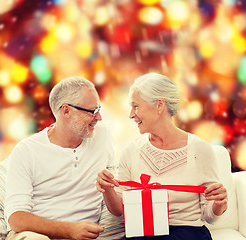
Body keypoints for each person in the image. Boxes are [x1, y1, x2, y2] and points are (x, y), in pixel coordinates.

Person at [96, 73, 228, 240]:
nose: (131, 114)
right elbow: (119, 212)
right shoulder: (131, 151)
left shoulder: (200, 150)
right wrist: (107, 189)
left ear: (159, 105)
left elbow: (210, 216)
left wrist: (218, 204)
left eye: (136, 106)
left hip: (187, 233)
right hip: (144, 232)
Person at [5, 76, 117, 240]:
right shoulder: (26, 151)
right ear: (66, 111)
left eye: (98, 109)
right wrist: (69, 230)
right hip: (36, 235)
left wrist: (108, 186)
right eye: (92, 111)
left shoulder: (103, 136)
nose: (99, 117)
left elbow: (116, 194)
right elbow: (16, 218)